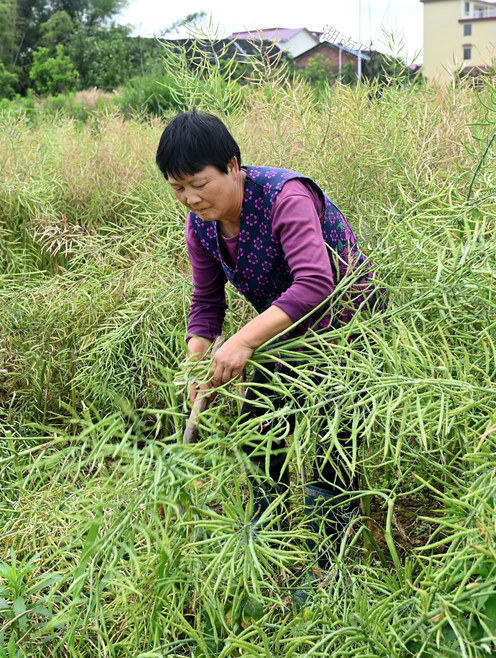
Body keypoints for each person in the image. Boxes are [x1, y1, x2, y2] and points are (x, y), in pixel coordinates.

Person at [156, 110, 384, 573]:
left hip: (347, 329)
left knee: (330, 445)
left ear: (233, 166)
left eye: (199, 183)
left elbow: (316, 282)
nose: (191, 198)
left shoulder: (286, 196)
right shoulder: (202, 224)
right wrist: (197, 366)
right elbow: (206, 302)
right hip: (285, 336)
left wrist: (240, 342)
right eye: (178, 188)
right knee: (259, 434)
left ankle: (329, 567)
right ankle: (268, 544)